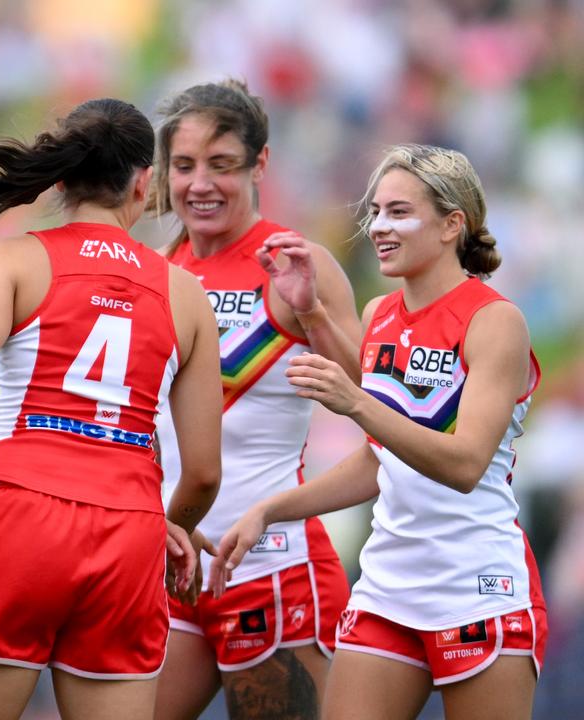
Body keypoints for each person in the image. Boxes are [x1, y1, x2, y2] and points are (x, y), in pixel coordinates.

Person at [0, 98, 223, 720]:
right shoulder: (186, 292)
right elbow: (204, 474)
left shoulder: (14, 258)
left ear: (61, 178)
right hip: (131, 532)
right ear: (145, 183)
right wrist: (173, 523)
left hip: (20, 517)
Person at [212, 144, 547, 719]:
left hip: (478, 582)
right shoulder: (378, 314)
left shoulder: (495, 321)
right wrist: (270, 509)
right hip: (387, 584)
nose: (379, 227)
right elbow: (378, 462)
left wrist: (358, 404)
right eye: (375, 212)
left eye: (398, 212)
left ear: (451, 225)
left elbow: (465, 465)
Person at [149, 80, 361, 719]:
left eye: (222, 166)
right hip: (175, 565)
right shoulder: (159, 267)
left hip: (274, 568)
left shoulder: (296, 261)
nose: (200, 185)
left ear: (260, 165)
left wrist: (314, 313)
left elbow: (382, 401)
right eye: (184, 167)